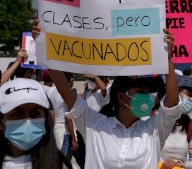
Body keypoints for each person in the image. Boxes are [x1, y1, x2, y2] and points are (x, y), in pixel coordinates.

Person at [33, 18, 182, 168]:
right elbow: (65, 92)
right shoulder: (95, 124)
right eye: (141, 91)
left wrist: (167, 60)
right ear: (122, 97)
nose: (148, 97)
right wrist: (44, 47)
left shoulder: (153, 130)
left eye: (148, 92)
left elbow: (172, 105)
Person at [0, 78, 57, 168]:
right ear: (1, 122)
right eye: (17, 114)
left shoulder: (61, 164)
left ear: (45, 118)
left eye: (35, 113)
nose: (28, 121)